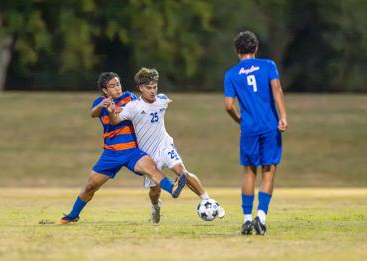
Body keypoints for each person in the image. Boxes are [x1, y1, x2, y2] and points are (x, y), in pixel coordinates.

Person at [59, 72, 186, 224]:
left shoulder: (130, 98)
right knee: (90, 186)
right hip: (111, 153)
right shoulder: (100, 102)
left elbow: (142, 106)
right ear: (105, 90)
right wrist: (102, 105)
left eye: (118, 84)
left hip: (132, 149)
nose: (117, 88)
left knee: (151, 169)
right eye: (112, 86)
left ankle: (173, 188)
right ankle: (73, 215)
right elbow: (93, 114)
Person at [107, 67, 225, 223]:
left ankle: (208, 201)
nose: (152, 91)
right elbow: (115, 121)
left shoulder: (162, 100)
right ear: (140, 88)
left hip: (165, 146)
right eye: (148, 88)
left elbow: (166, 100)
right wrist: (111, 112)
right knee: (155, 191)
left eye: (154, 87)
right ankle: (155, 206)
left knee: (182, 172)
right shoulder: (133, 107)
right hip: (148, 156)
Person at [224, 31, 288, 235]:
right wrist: (283, 116)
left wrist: (239, 120)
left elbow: (228, 106)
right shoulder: (268, 65)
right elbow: (277, 90)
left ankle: (246, 219)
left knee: (249, 171)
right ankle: (261, 216)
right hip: (270, 125)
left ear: (237, 51)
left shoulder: (231, 74)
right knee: (268, 171)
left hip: (249, 128)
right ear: (256, 48)